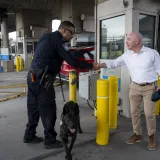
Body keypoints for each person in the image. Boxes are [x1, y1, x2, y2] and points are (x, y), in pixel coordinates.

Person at [23, 21, 99, 149]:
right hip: (43, 79)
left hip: (32, 77)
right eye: (71, 33)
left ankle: (29, 135)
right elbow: (72, 62)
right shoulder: (59, 41)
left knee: (33, 107)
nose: (72, 36)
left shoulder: (45, 37)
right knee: (48, 110)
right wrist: (91, 65)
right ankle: (50, 140)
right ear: (64, 30)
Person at [99, 32, 160, 151]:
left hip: (150, 87)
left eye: (129, 39)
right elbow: (114, 63)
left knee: (149, 114)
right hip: (134, 86)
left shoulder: (152, 53)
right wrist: (98, 65)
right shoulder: (127, 55)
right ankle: (137, 135)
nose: (126, 42)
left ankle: (151, 137)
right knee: (134, 112)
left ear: (137, 41)